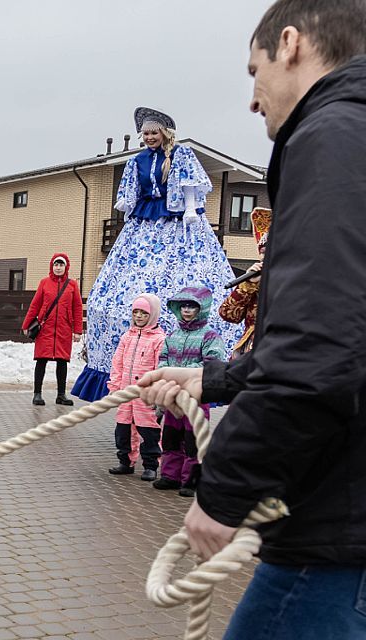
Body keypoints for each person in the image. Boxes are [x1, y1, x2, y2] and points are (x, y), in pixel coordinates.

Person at [139, 2, 366, 636]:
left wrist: (226, 489)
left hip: (336, 537)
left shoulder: (334, 137)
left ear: (290, 43)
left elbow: (321, 351)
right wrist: (213, 381)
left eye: (253, 69)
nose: (251, 99)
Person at [71, 107, 240, 403]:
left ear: (165, 133)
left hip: (180, 222)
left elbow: (190, 183)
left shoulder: (182, 154)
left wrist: (189, 209)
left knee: (185, 277)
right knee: (115, 293)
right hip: (144, 225)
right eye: (145, 133)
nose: (149, 137)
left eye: (154, 132)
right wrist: (127, 213)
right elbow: (130, 193)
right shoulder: (137, 161)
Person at [153, 287, 224, 497]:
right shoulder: (173, 335)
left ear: (201, 309)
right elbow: (163, 359)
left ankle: (190, 480)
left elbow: (212, 363)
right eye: (183, 305)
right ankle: (170, 475)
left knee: (193, 440)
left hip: (196, 397)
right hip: (173, 397)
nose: (186, 310)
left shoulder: (210, 336)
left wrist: (183, 374)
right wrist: (165, 375)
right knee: (171, 437)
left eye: (192, 306)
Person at [107, 294, 166, 480]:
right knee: (123, 429)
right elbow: (118, 363)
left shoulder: (159, 339)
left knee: (149, 430)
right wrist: (115, 386)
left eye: (144, 313)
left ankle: (151, 465)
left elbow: (160, 368)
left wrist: (156, 392)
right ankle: (125, 461)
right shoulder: (127, 337)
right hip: (126, 391)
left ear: (153, 314)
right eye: (136, 312)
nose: (139, 316)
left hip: (145, 394)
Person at [22, 253, 82, 406]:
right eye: (56, 264)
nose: (58, 267)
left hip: (64, 329)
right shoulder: (44, 283)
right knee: (41, 360)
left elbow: (77, 308)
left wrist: (78, 330)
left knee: (62, 361)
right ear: (52, 266)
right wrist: (26, 324)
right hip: (45, 328)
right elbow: (35, 305)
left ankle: (61, 395)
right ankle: (37, 394)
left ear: (66, 266)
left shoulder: (72, 285)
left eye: (61, 265)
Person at [219, 208, 271, 358]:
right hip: (249, 352)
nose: (263, 257)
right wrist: (247, 285)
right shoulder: (254, 281)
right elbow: (227, 314)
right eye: (262, 252)